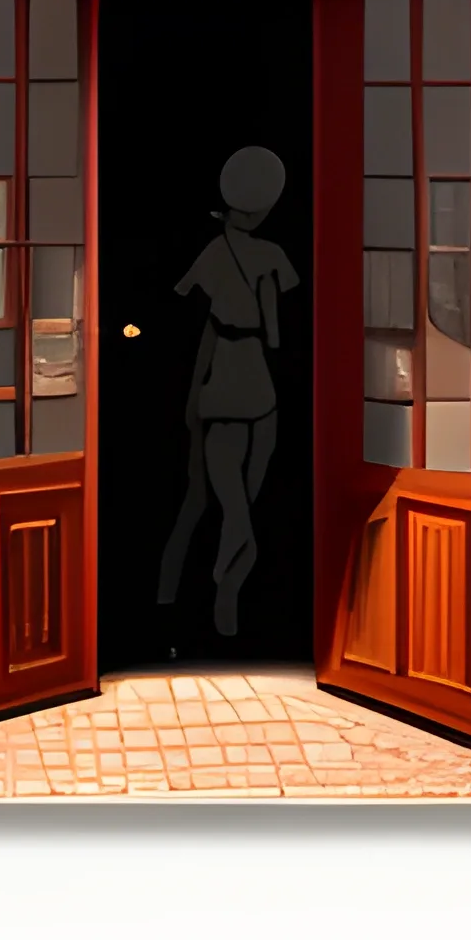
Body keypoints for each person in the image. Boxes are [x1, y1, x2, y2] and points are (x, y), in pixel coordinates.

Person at [156, 146, 300, 638]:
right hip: (259, 387)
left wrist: (194, 394)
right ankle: (227, 588)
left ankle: (180, 593)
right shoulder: (272, 256)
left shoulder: (214, 253)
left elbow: (203, 327)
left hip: (219, 387)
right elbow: (277, 334)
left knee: (216, 500)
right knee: (245, 502)